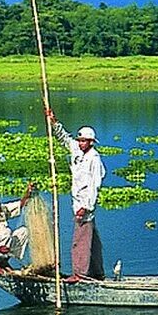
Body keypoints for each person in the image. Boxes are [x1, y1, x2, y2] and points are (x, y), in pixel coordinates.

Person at [47, 109, 106, 282]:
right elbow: (64, 138)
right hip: (77, 202)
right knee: (91, 239)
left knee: (79, 241)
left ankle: (79, 274)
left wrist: (85, 207)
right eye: (79, 140)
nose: (80, 143)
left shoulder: (94, 159)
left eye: (84, 141)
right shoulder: (77, 150)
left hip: (84, 206)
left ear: (91, 142)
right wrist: (53, 121)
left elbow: (94, 186)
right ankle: (97, 272)